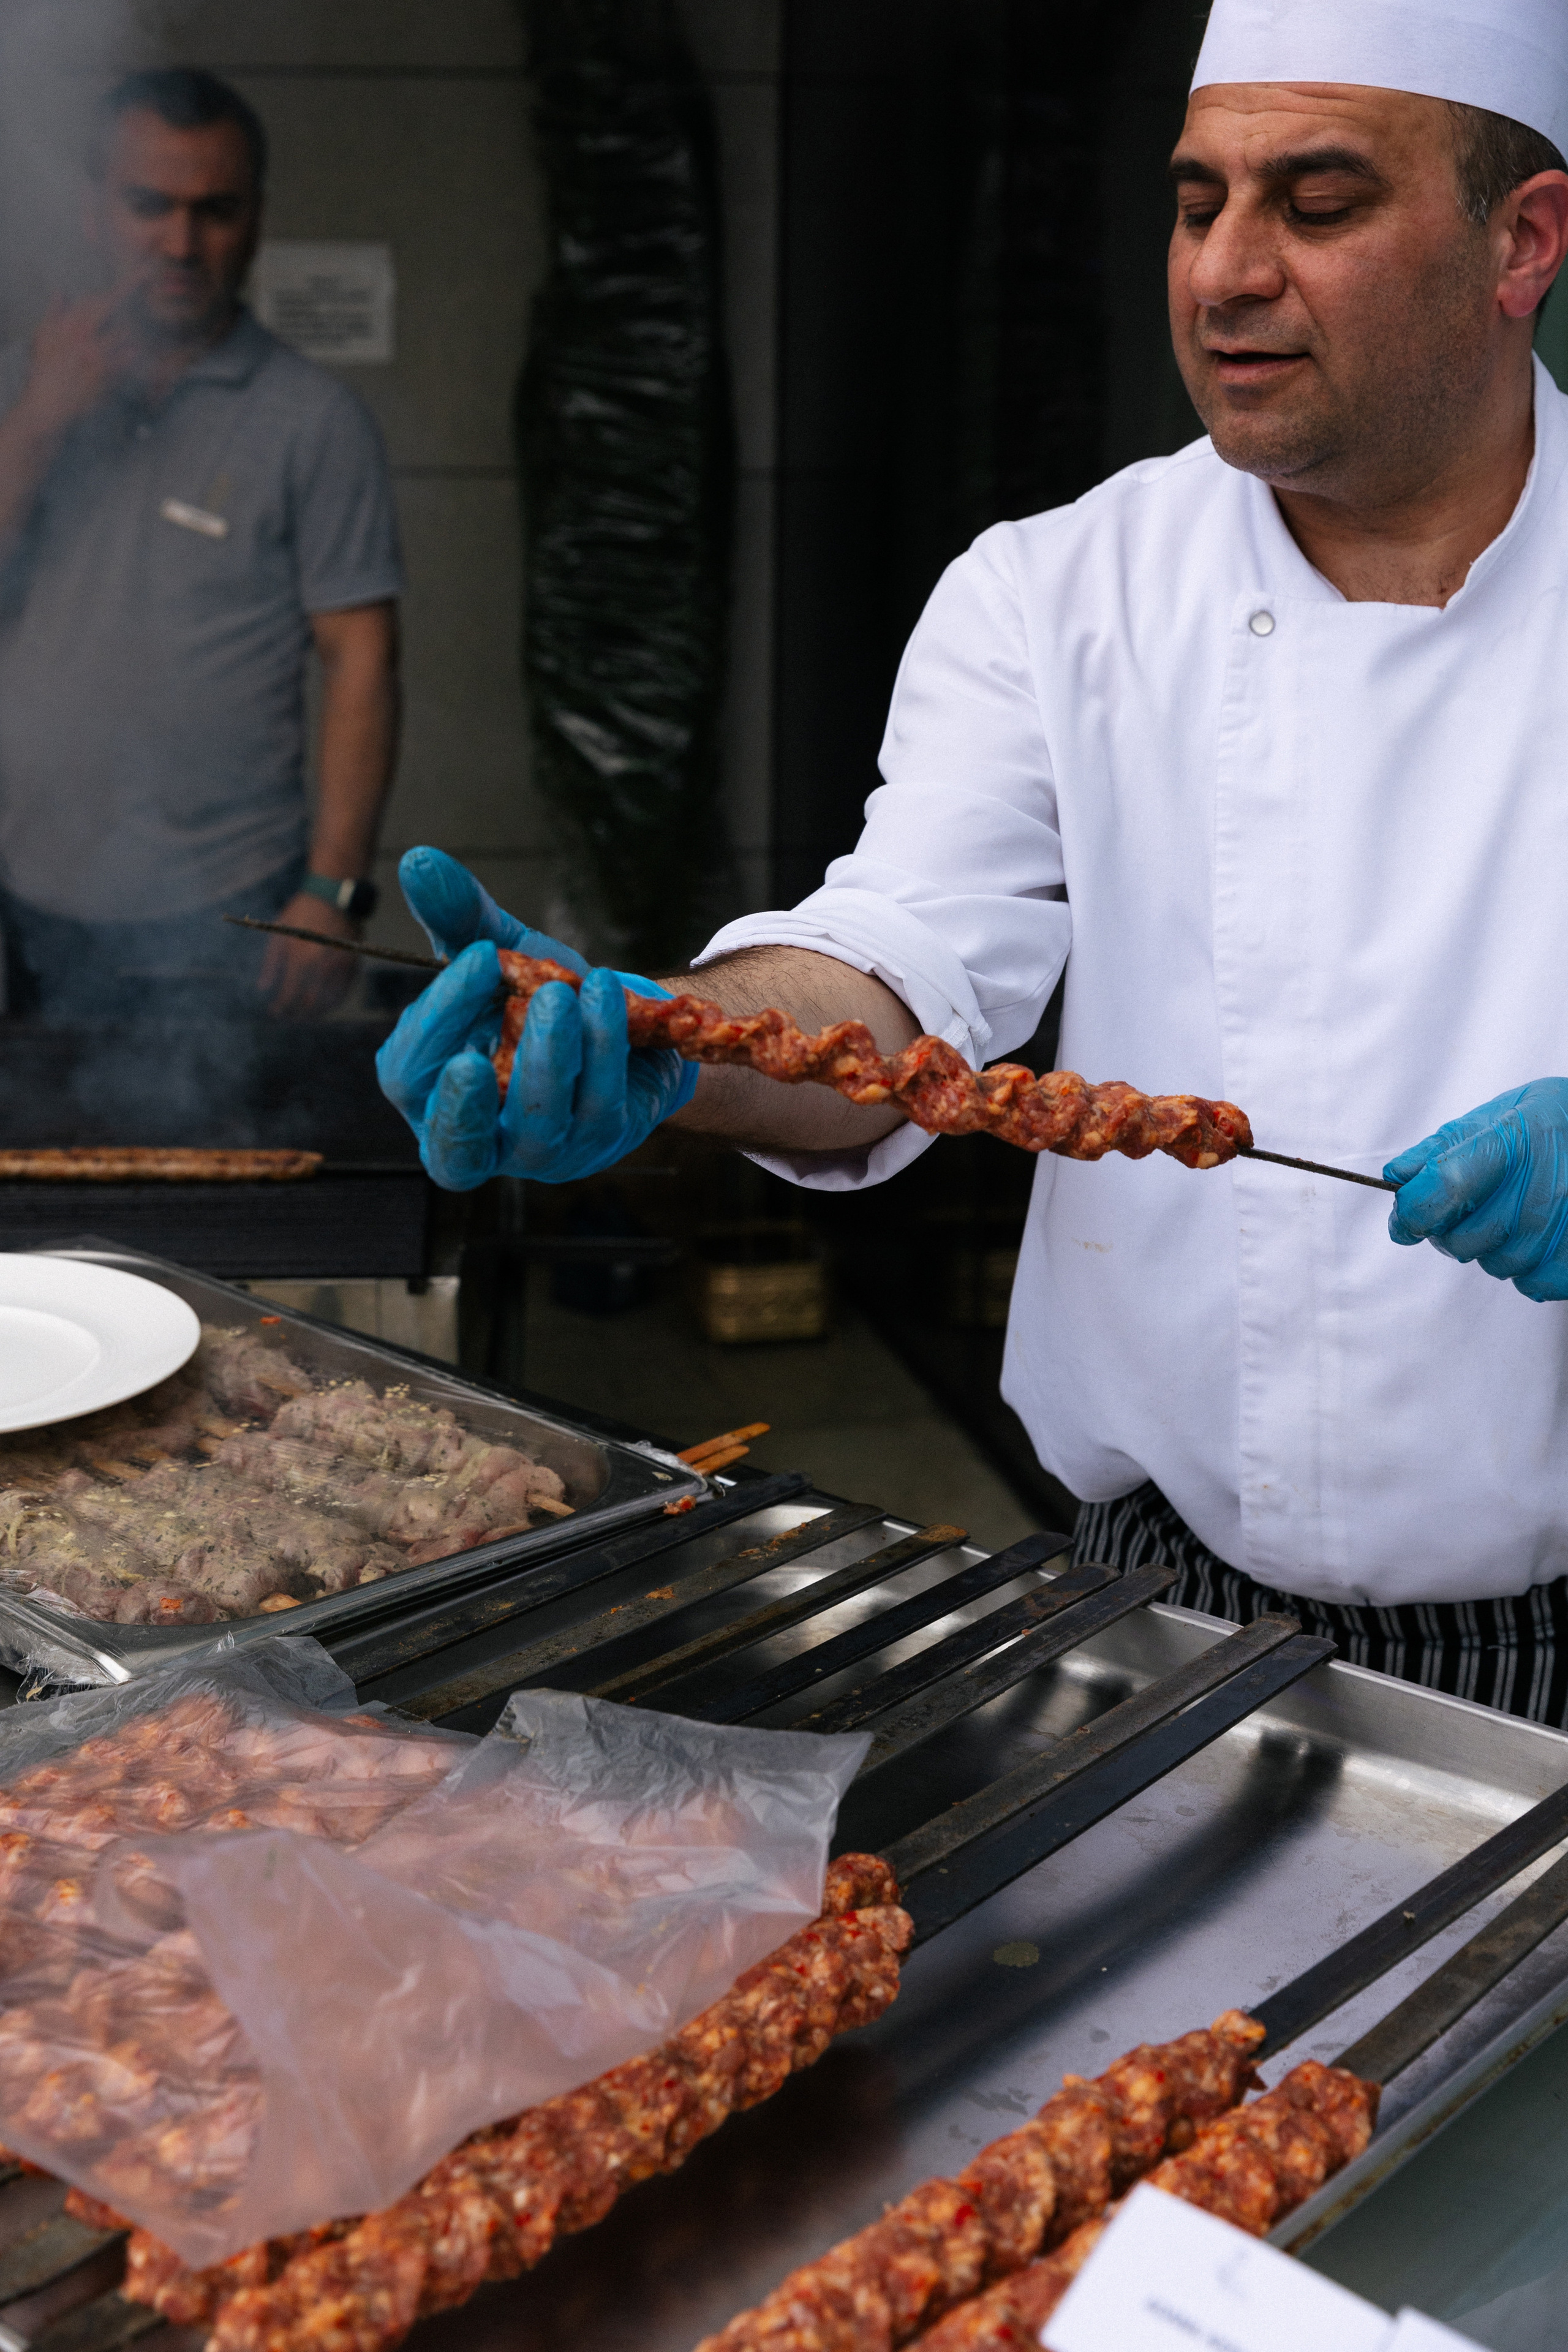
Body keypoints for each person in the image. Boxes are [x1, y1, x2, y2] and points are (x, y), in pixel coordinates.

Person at [380, 1, 1568, 1724]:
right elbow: (896, 972)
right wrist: (674, 1043)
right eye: (1195, 200)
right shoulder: (1061, 593)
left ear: (1522, 239)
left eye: (1315, 206)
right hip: (1156, 1613)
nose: (1224, 272)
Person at [0, 67, 401, 1022]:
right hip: (24, 885)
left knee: (217, 1166)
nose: (181, 243)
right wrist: (43, 420)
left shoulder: (314, 420)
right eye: (150, 206)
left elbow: (362, 661)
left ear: (255, 217)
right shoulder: (23, 386)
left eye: (214, 211)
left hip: (232, 905)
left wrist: (335, 893)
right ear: (97, 209)